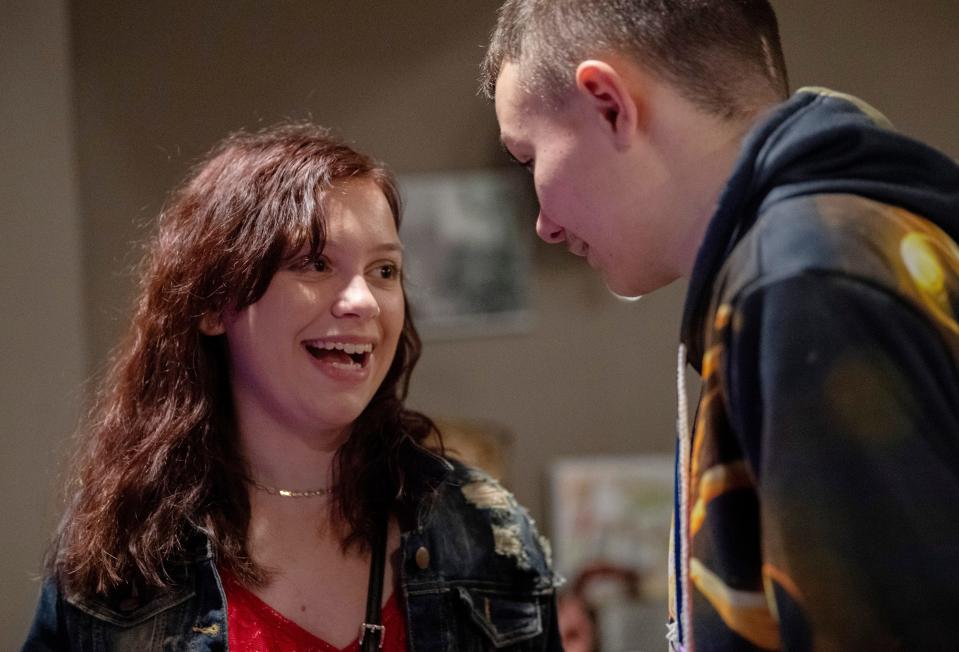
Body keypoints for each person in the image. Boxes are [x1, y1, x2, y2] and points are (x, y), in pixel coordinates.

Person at [481, 1, 959, 650]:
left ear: (607, 104)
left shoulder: (799, 276)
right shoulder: (841, 238)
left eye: (526, 156)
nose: (544, 224)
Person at [22, 123, 560, 651]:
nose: (364, 302)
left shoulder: (485, 532)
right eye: (316, 263)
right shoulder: (123, 550)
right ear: (214, 304)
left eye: (384, 271)